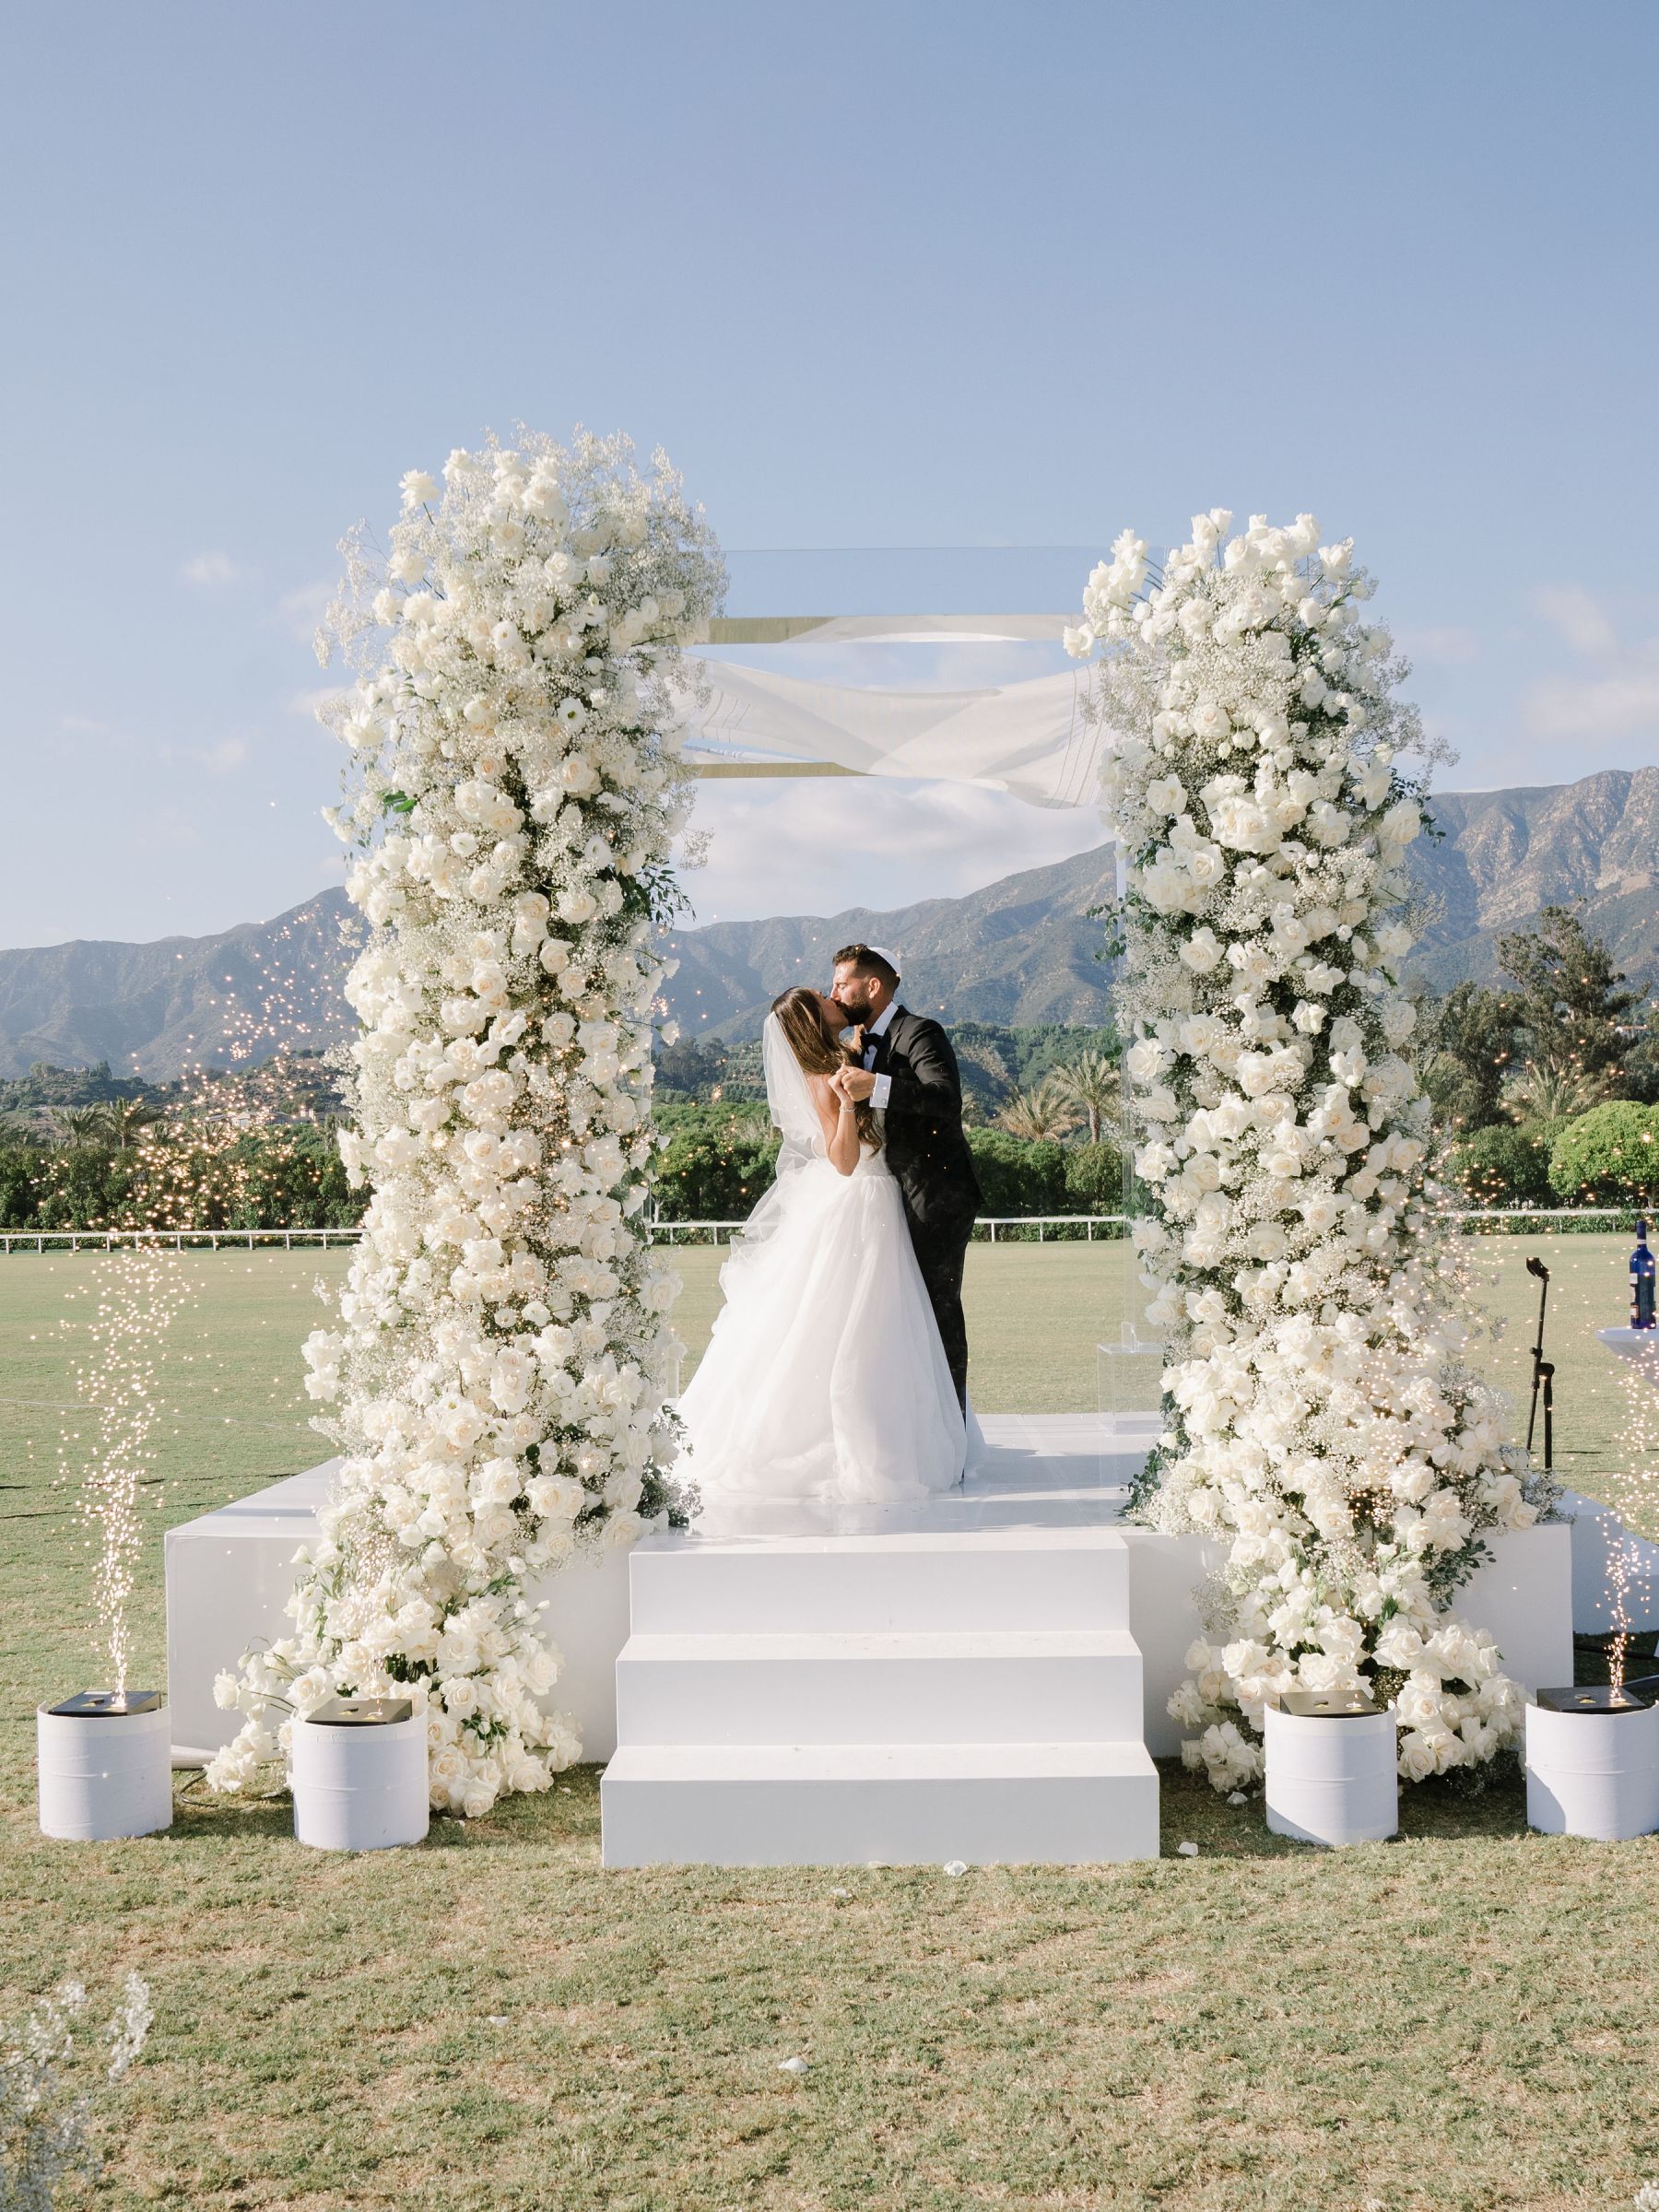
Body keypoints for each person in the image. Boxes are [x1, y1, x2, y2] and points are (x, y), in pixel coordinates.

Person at [676, 984, 968, 1508]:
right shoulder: (821, 1080)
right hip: (859, 1202)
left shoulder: (842, 1057)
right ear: (813, 1018)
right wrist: (850, 1105)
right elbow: (844, 1160)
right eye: (822, 997)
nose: (834, 996)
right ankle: (845, 1441)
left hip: (881, 1201)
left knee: (885, 1325)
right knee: (848, 1324)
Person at [828, 943, 983, 1413]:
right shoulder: (858, 1042)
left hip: (936, 1195)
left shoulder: (920, 1031)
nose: (833, 992)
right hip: (891, 1193)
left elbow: (945, 1098)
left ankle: (951, 1430)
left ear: (872, 986)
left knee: (938, 1311)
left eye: (842, 983)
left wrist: (876, 1086)